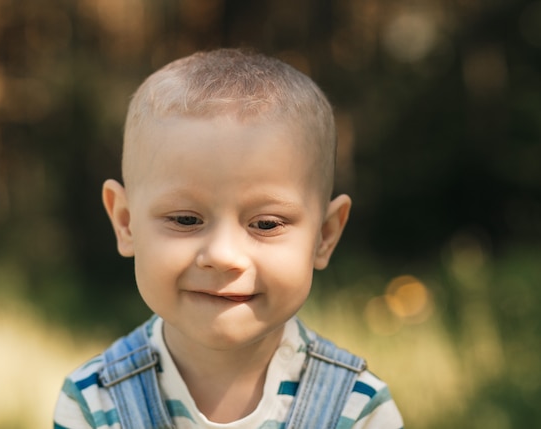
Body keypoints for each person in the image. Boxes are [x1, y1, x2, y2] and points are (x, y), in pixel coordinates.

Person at [53, 48, 404, 429]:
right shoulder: (94, 402)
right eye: (186, 219)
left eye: (266, 224)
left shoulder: (357, 410)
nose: (223, 255)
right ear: (125, 223)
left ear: (325, 234)